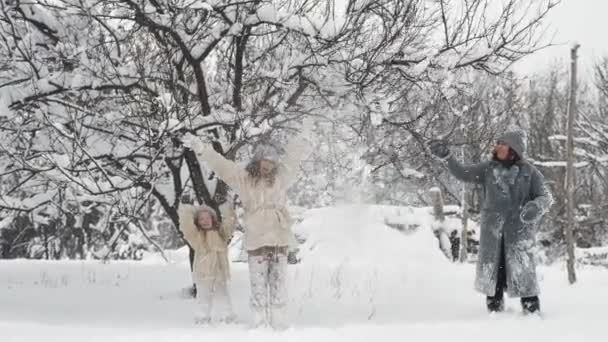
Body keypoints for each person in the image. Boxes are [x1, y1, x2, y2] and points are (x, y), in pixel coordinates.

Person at [188, 121, 311, 329]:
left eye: (271, 162)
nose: (268, 165)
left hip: (279, 239)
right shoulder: (243, 179)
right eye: (264, 161)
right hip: (256, 240)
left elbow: (293, 159)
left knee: (279, 282)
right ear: (257, 161)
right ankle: (259, 320)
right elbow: (221, 166)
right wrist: (202, 148)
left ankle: (279, 321)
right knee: (258, 284)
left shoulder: (281, 178)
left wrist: (302, 139)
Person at [430, 130, 552, 314]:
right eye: (497, 143)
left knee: (523, 275)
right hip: (493, 233)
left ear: (513, 149)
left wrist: (534, 207)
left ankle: (532, 313)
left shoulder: (529, 172)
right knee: (493, 274)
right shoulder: (488, 169)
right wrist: (448, 157)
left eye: (501, 143)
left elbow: (546, 197)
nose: (496, 146)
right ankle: (494, 315)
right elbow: (463, 173)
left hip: (519, 233)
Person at [178, 204, 235, 324]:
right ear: (197, 222)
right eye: (201, 219)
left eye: (208, 218)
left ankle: (227, 317)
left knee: (222, 295)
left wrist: (227, 209)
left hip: (219, 272)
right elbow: (186, 226)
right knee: (203, 297)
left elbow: (230, 224)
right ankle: (202, 318)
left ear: (213, 219)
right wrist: (188, 210)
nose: (205, 221)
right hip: (203, 273)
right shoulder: (196, 237)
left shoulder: (221, 234)